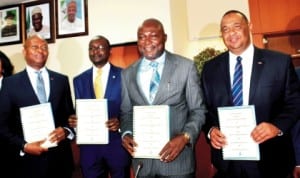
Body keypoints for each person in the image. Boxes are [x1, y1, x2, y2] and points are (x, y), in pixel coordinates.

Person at [200, 10, 300, 178]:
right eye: (225, 29)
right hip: (228, 162)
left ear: (250, 27)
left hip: (271, 159)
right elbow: (204, 108)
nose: (231, 33)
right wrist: (211, 131)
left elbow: (295, 103)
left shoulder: (279, 62)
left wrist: (277, 127)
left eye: (236, 27)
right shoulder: (210, 69)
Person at [120, 18, 206, 178]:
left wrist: (185, 136)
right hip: (143, 165)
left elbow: (198, 110)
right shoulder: (127, 74)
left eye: (153, 35)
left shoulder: (186, 67)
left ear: (164, 37)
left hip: (178, 164)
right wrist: (126, 133)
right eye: (141, 36)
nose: (147, 41)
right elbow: (126, 112)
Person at [0, 34, 75, 178]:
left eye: (44, 47)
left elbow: (70, 118)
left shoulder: (61, 80)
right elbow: (2, 126)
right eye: (35, 46)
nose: (40, 50)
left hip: (60, 162)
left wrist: (66, 131)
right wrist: (24, 146)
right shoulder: (10, 84)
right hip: (26, 164)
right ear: (24, 51)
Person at [69, 35, 131, 178]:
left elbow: (131, 108)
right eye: (91, 48)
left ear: (110, 51)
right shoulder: (79, 80)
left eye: (100, 47)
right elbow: (78, 109)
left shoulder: (125, 75)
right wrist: (75, 121)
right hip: (90, 149)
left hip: (117, 146)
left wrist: (120, 123)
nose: (95, 51)